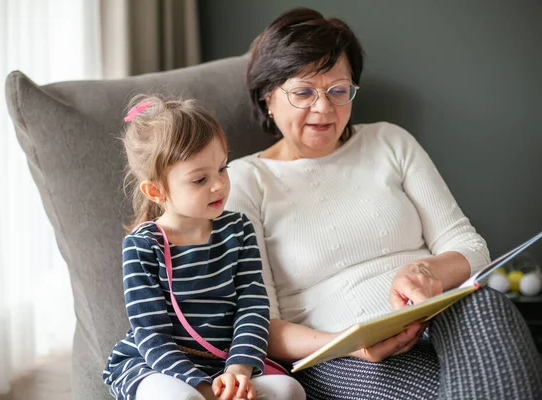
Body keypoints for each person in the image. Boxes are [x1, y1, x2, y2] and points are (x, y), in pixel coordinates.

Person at [226, 7, 542, 400]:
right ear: (269, 96)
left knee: (488, 306)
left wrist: (428, 269)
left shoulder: (389, 142)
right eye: (304, 92)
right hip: (343, 356)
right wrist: (350, 342)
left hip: (441, 321)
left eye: (338, 91)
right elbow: (259, 324)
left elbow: (471, 248)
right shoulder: (243, 181)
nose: (324, 109)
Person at [102, 96, 306, 400]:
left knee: (290, 390)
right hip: (156, 366)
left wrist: (238, 371)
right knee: (183, 399)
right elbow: (151, 334)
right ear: (156, 190)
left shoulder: (238, 230)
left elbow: (252, 308)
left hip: (223, 363)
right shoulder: (143, 246)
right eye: (200, 180)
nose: (219, 186)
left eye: (222, 169)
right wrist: (202, 387)